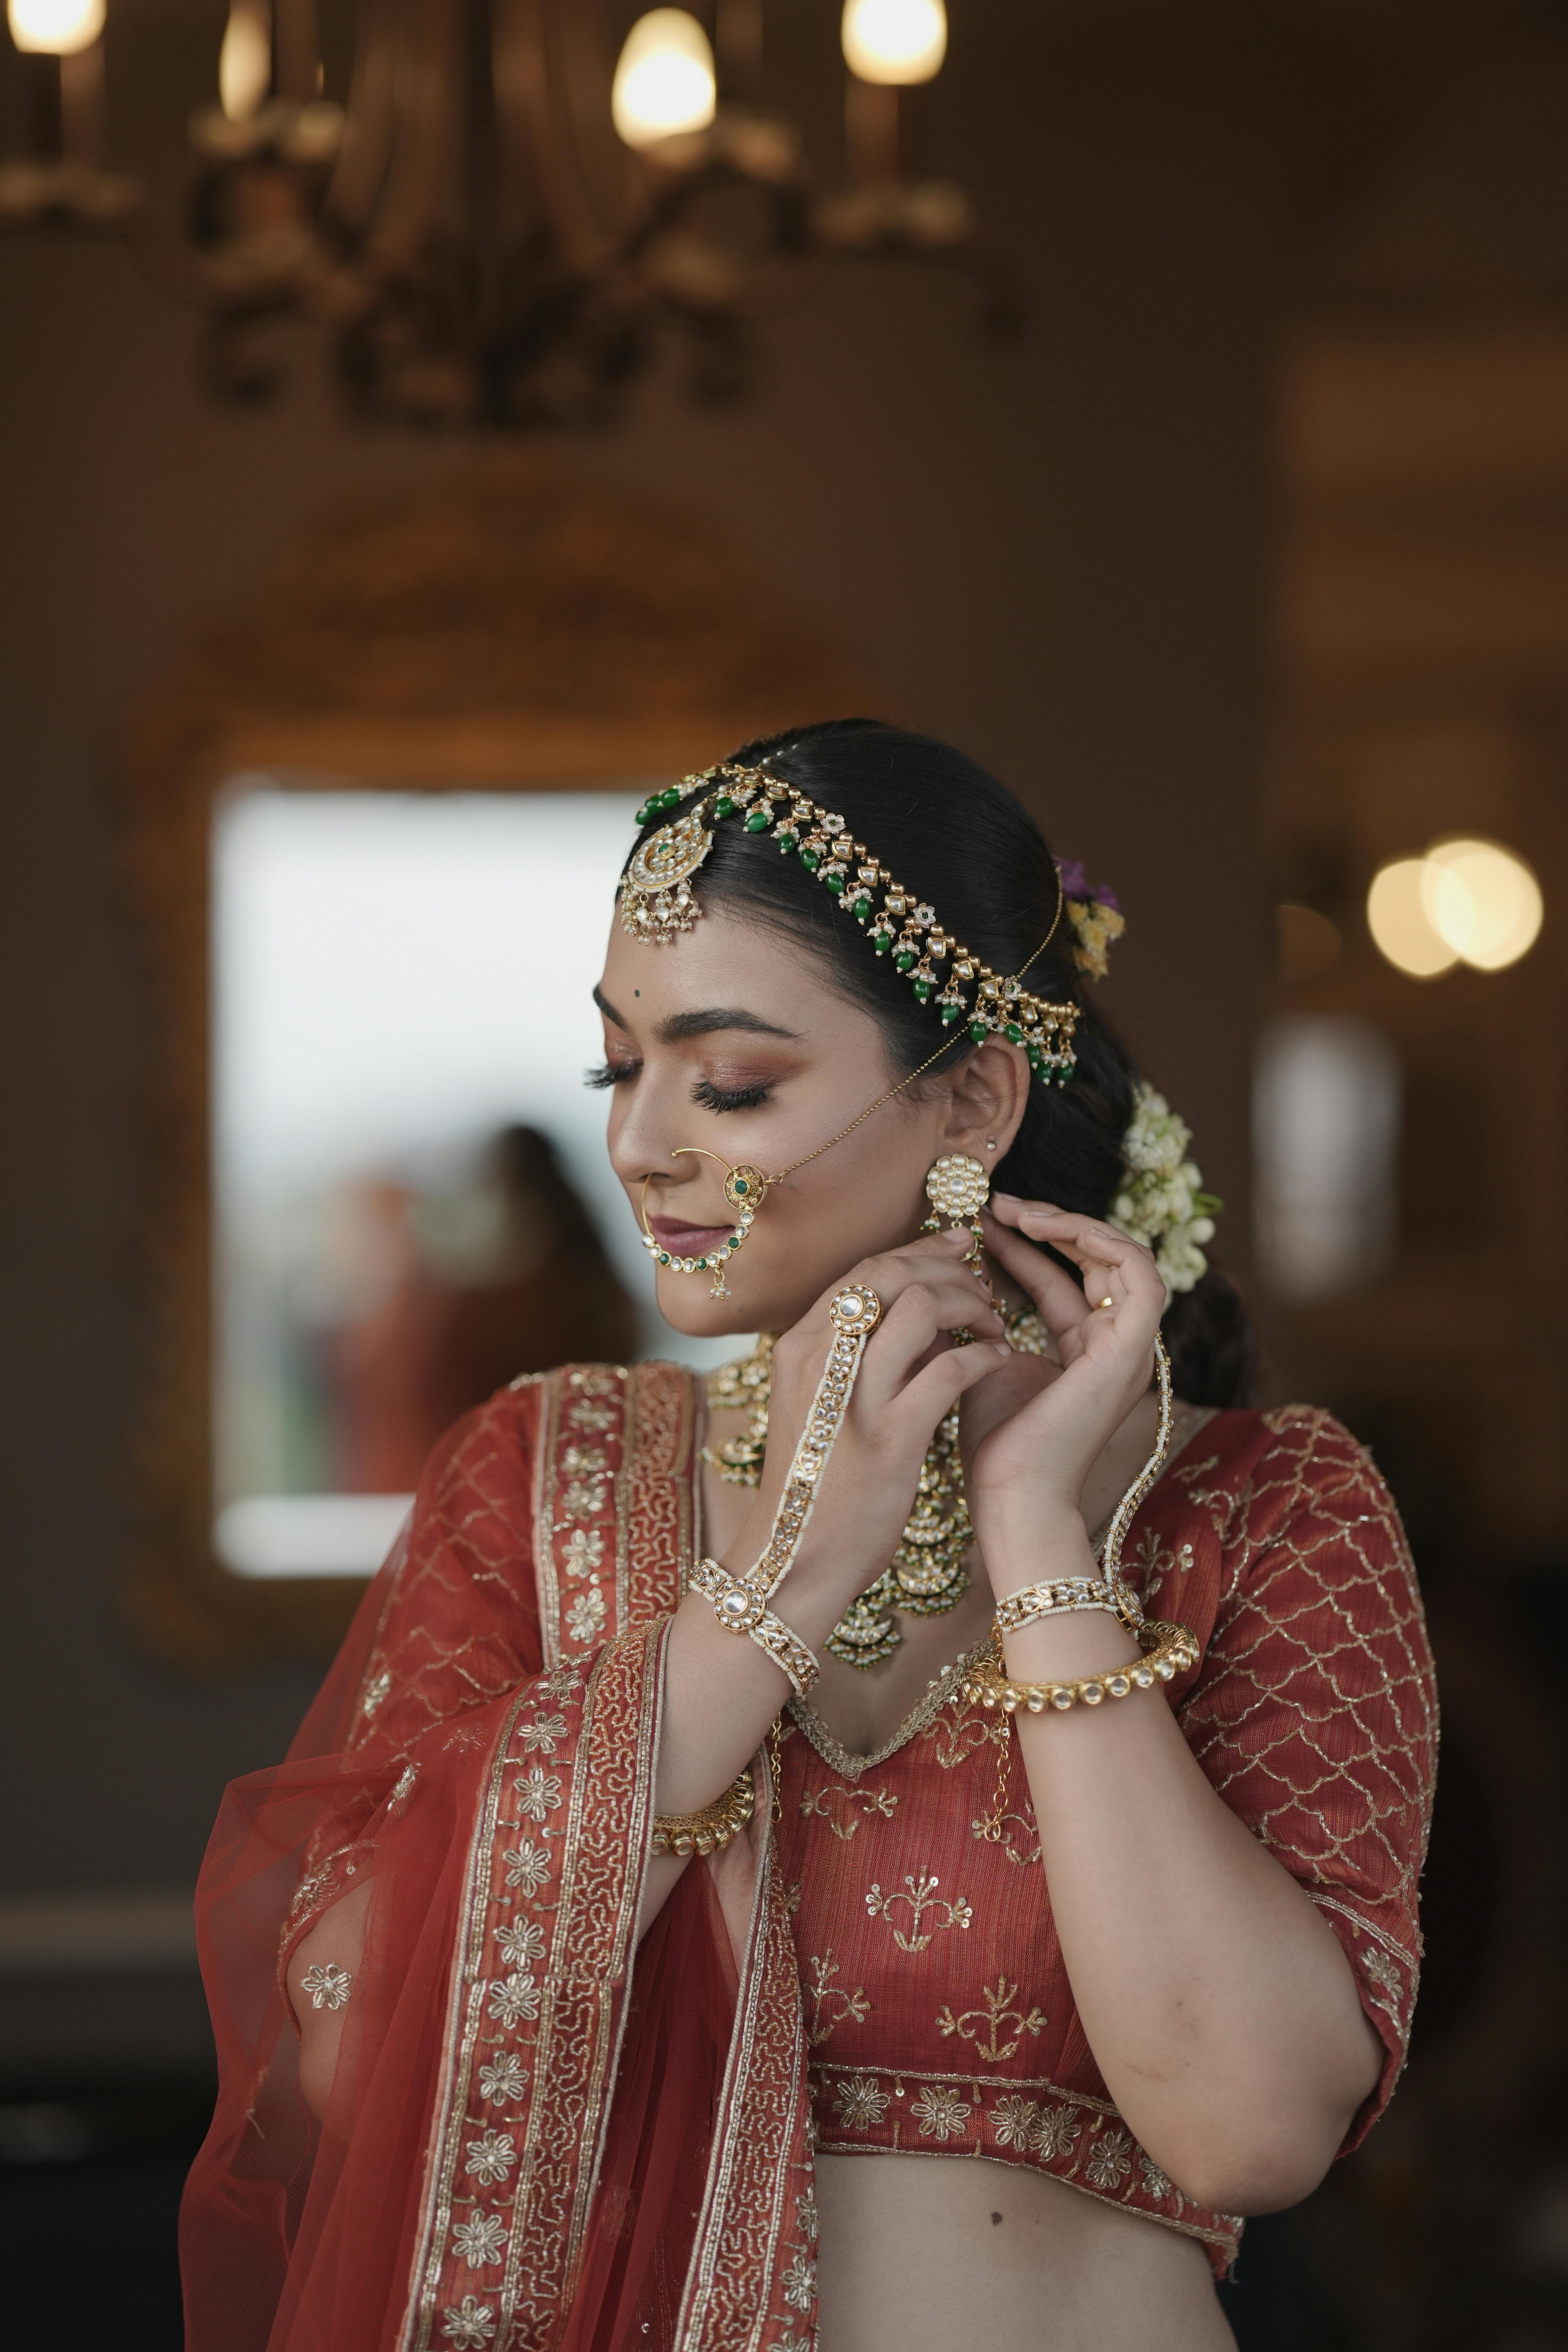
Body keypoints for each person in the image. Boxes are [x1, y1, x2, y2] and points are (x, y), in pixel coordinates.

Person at [181, 721, 1436, 2352]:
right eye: (618, 1067)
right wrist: (785, 1581)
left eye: (735, 1081)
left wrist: (1043, 1548)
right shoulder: (538, 1474)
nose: (639, 1143)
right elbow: (361, 2040)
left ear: (974, 1096)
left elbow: (1249, 2128)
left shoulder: (1268, 1507)